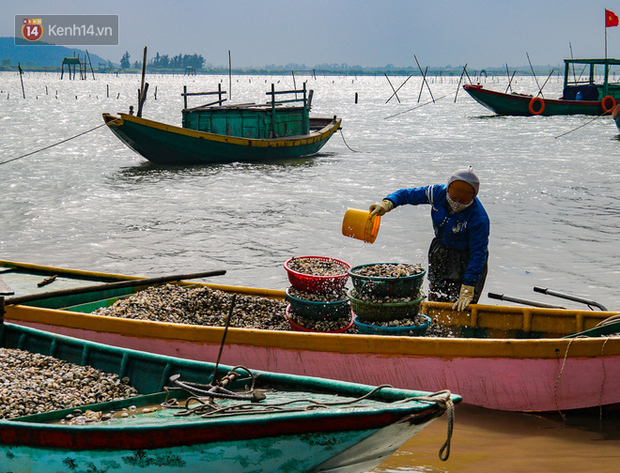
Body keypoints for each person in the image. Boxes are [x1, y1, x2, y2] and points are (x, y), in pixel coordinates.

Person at [369, 167, 490, 311]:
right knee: (437, 299)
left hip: (467, 259)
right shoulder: (437, 193)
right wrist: (387, 203)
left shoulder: (479, 218)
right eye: (454, 198)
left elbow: (478, 253)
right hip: (440, 251)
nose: (457, 203)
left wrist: (469, 286)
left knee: (462, 306)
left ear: (473, 197)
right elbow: (407, 195)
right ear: (448, 191)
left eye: (463, 201)